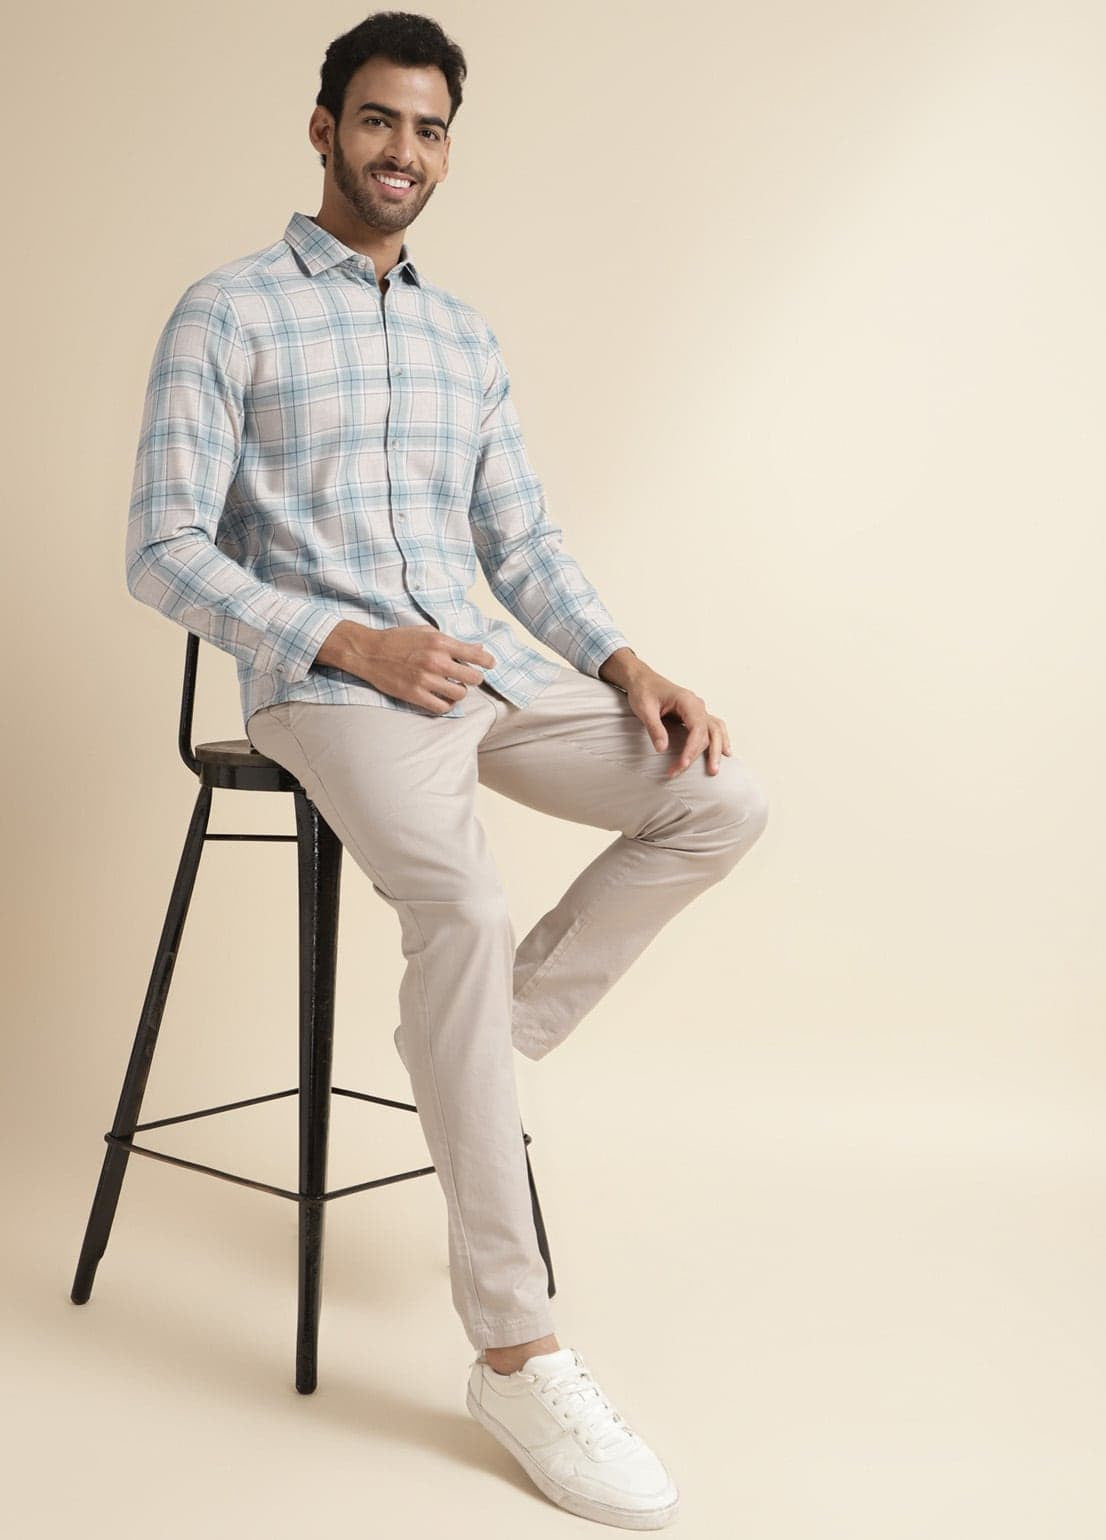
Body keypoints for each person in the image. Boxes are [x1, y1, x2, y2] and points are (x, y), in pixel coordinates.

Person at [125, 10, 768, 1530]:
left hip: (481, 676)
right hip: (326, 692)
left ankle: (478, 1037)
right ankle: (516, 1353)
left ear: (446, 148)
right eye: (377, 121)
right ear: (323, 129)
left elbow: (520, 541)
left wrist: (626, 664)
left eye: (427, 129)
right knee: (463, 915)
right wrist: (351, 642)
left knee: (720, 795)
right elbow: (161, 548)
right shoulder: (228, 313)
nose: (402, 151)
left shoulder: (461, 336)